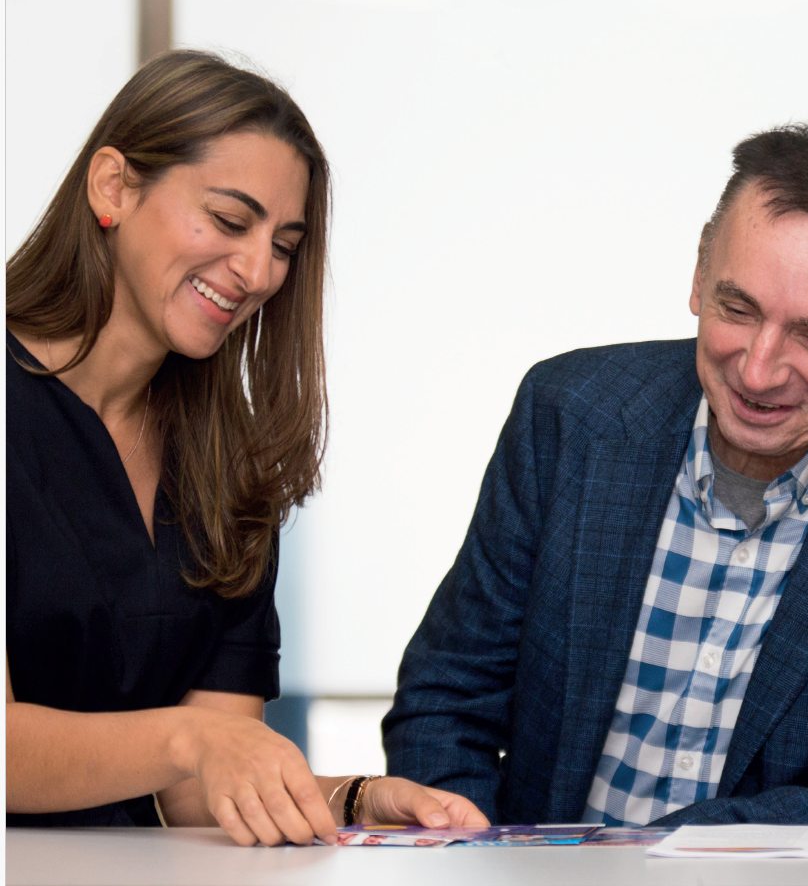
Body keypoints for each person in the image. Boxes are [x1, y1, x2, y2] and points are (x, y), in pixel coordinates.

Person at [383, 123, 808, 826]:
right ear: (700, 270)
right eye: (737, 309)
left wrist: (673, 858)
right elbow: (447, 701)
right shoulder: (569, 414)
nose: (758, 370)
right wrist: (475, 855)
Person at [6, 50, 485, 845]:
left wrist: (357, 798)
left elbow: (193, 793)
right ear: (113, 187)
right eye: (230, 220)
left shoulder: (224, 467)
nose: (259, 270)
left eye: (285, 243)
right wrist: (191, 741)